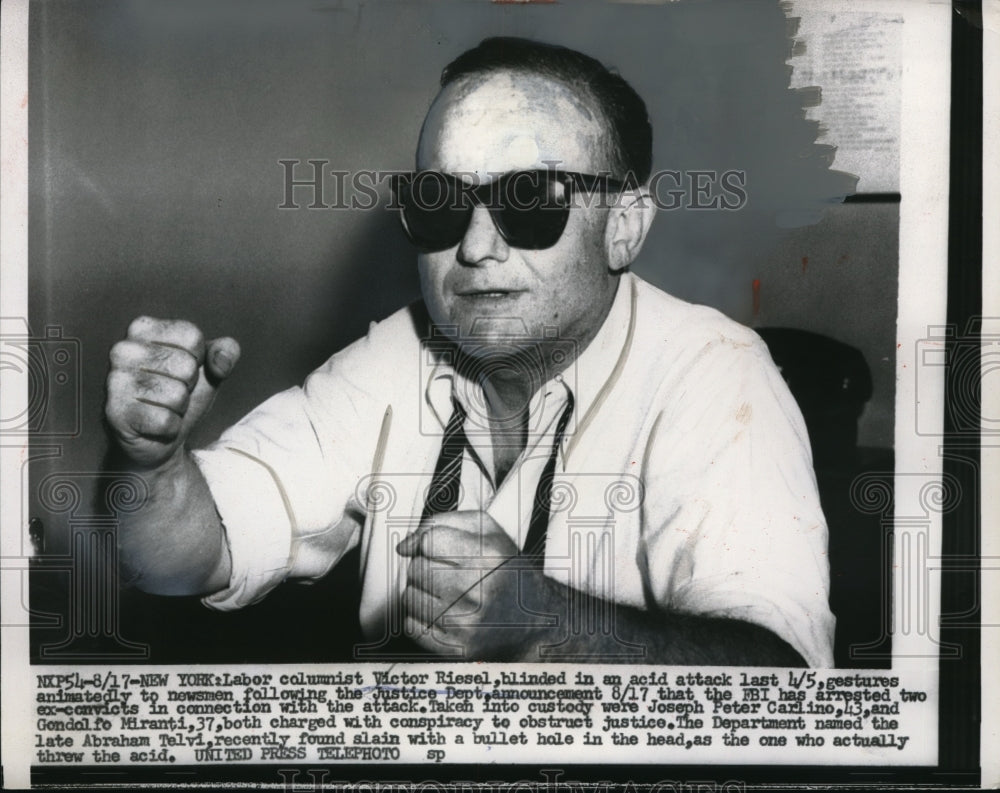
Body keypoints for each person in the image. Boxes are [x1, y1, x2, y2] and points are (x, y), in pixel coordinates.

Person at [105, 37, 835, 667]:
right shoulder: (397, 354)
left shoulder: (715, 374)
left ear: (624, 226)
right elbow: (182, 560)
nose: (476, 247)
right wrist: (152, 463)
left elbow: (783, 677)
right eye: (440, 201)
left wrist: (547, 626)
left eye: (531, 200)